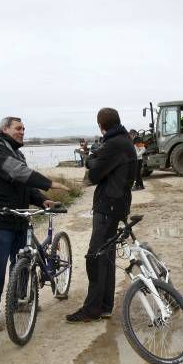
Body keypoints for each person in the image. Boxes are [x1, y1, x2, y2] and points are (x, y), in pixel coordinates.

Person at [0, 116, 68, 331]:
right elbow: (16, 171)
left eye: (24, 129)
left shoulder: (16, 152)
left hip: (19, 215)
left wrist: (40, 199)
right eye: (18, 128)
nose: (22, 132)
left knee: (23, 259)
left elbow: (22, 183)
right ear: (4, 129)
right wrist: (49, 183)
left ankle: (19, 300)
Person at [66, 108, 136, 323]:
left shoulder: (113, 144)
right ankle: (105, 306)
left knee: (95, 258)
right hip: (117, 204)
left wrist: (89, 160)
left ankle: (92, 309)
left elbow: (95, 174)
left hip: (108, 206)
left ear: (100, 125)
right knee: (106, 256)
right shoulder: (124, 141)